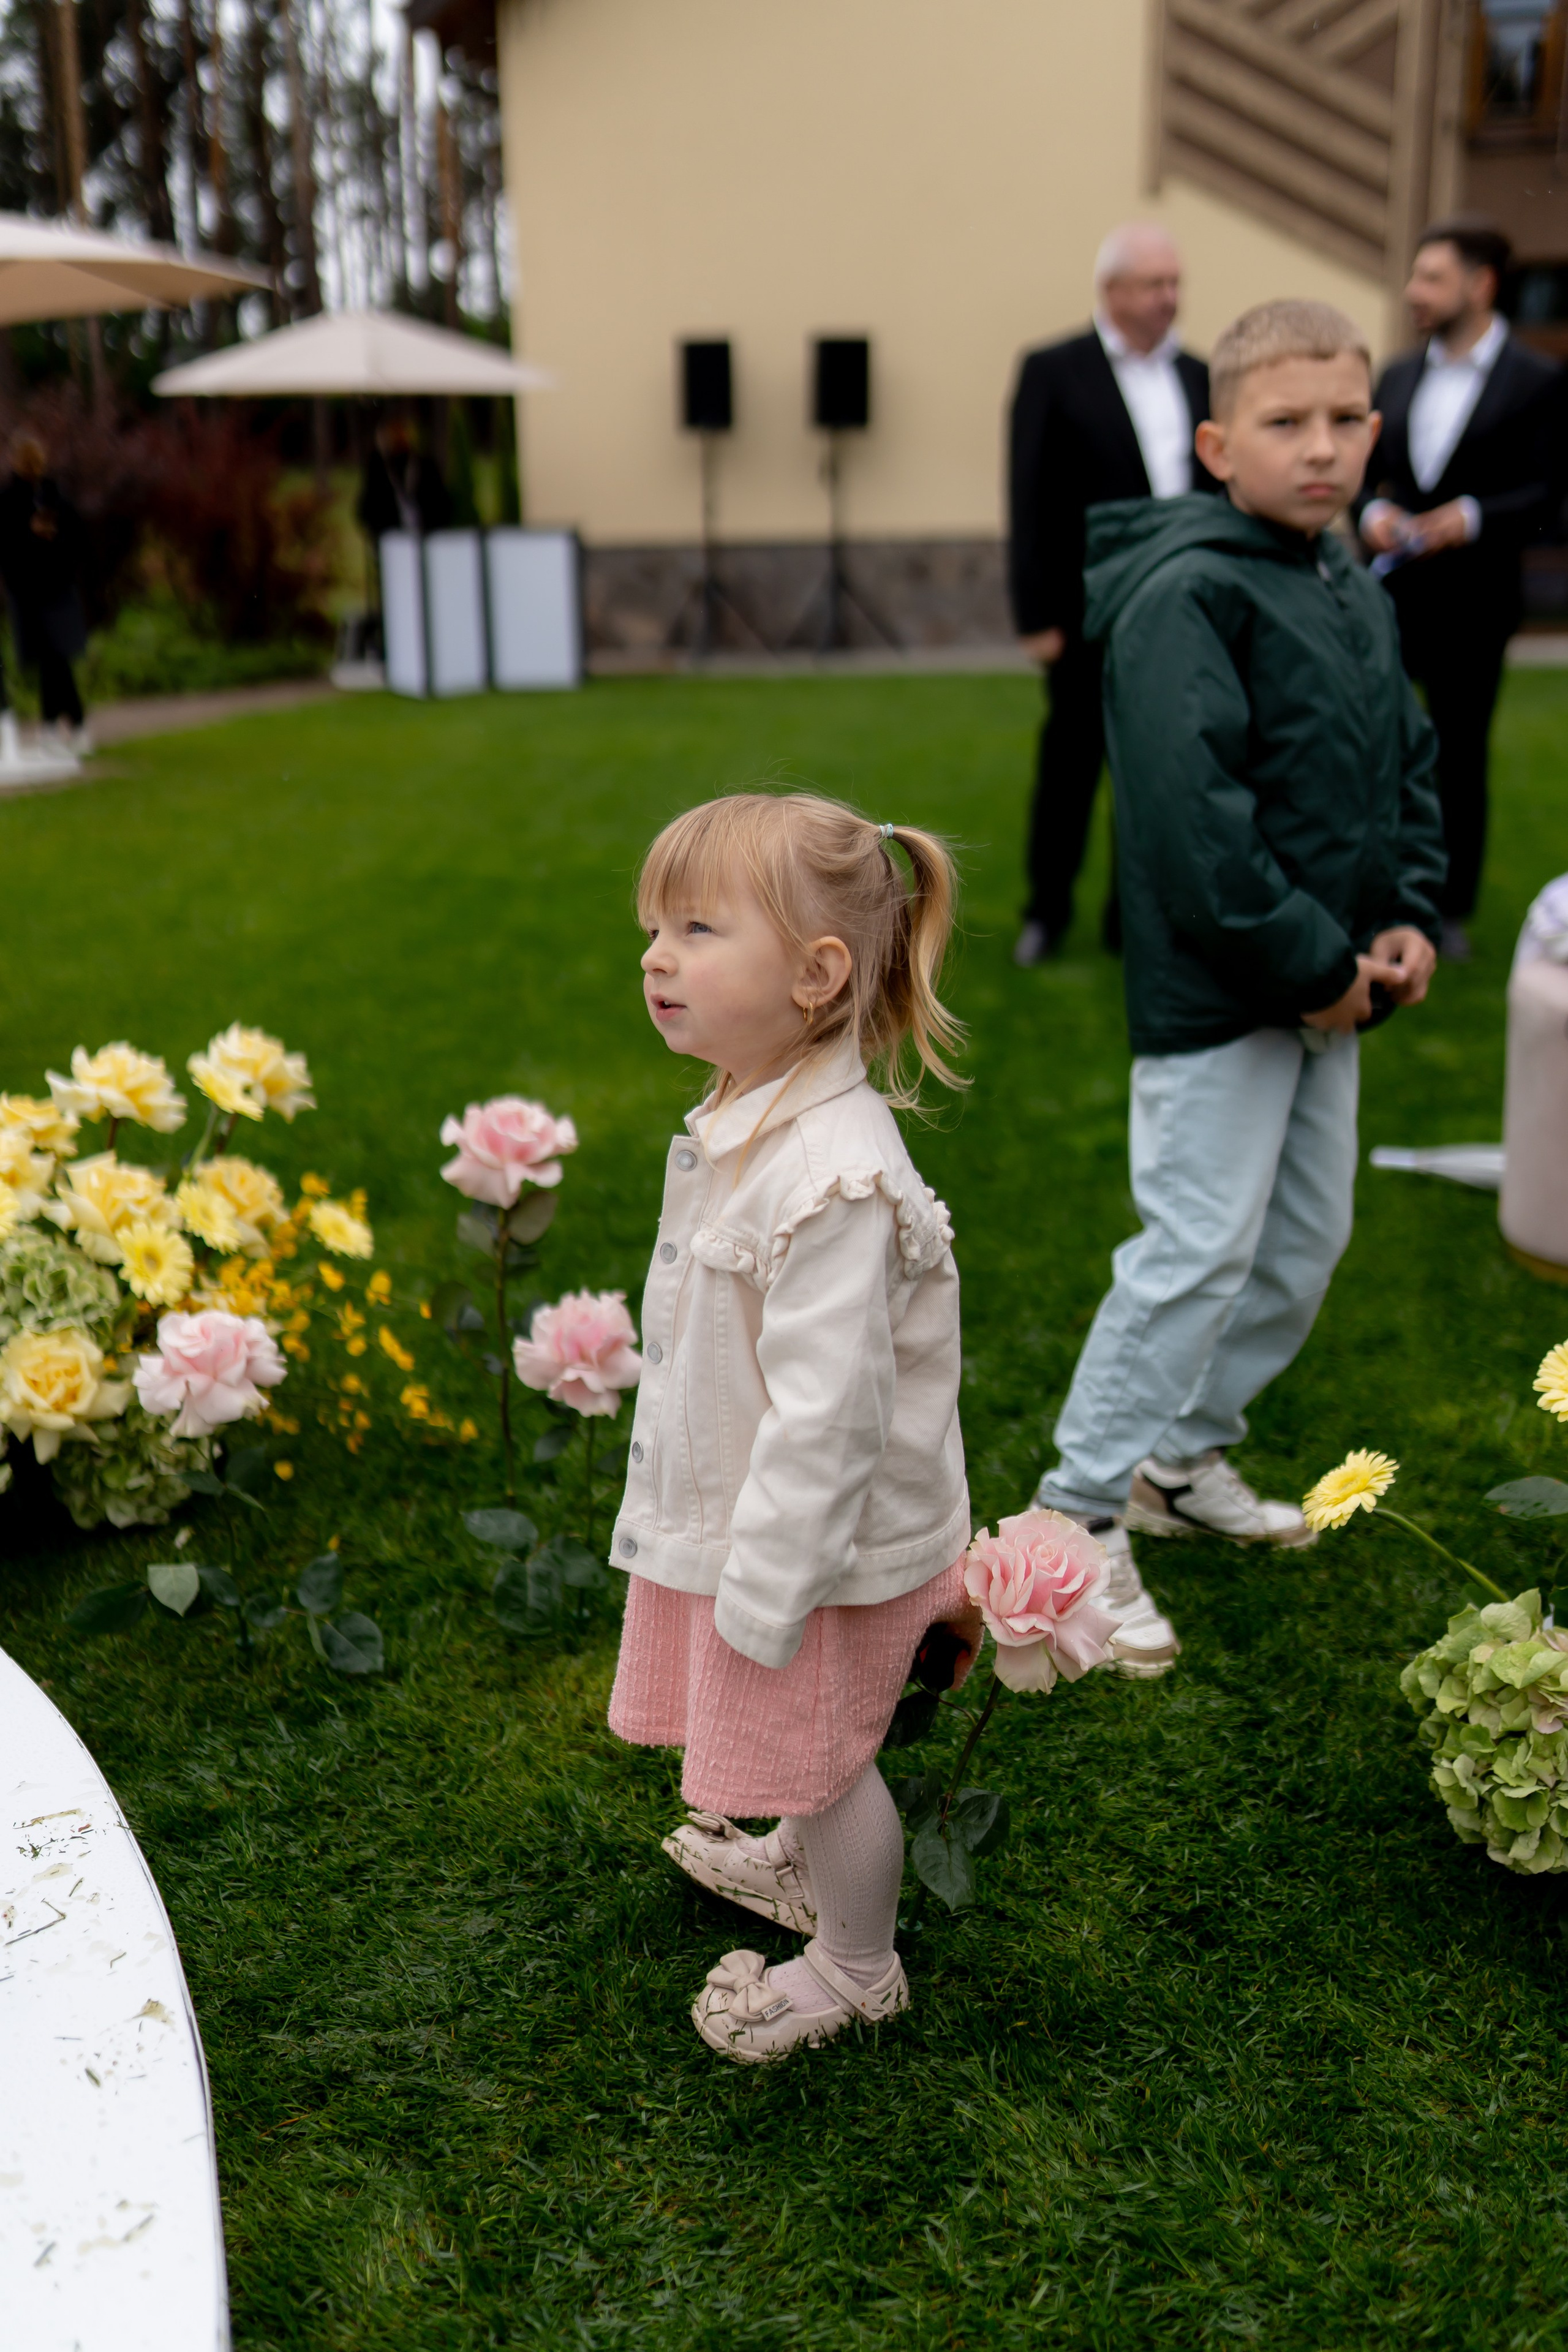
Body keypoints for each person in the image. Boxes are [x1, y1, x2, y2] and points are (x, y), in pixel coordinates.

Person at [1026, 300, 1447, 1673]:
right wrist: (1315, 966)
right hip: (1223, 998)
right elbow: (1192, 828)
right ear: (1217, 446)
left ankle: (1179, 1460)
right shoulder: (1183, 595)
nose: (1320, 447)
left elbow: (1403, 762)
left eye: (1345, 419)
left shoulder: (1341, 576)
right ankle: (1077, 1514)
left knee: (1305, 1242)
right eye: (1284, 422)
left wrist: (1402, 915)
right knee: (1196, 1250)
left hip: (1330, 985)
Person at [606, 792, 978, 2063]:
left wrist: (764, 1593)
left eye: (697, 929)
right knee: (796, 1745)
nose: (656, 957)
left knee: (822, 1756)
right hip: (773, 1529)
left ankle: (857, 1965)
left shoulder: (831, 1175)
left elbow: (830, 1421)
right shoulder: (752, 1110)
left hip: (819, 1551)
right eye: (655, 928)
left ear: (815, 976)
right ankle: (801, 1862)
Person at [1006, 222, 1221, 966]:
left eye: (1174, 283)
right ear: (1112, 291)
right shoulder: (1053, 370)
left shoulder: (1200, 376)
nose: (1169, 297)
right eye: (1154, 284)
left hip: (1180, 614)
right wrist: (1035, 615)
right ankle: (1046, 911)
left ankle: (1132, 918)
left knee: (1158, 771)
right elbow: (1028, 497)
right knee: (1070, 767)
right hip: (1084, 614)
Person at [1357, 216, 1561, 964]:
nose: (1413, 292)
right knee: (1372, 747)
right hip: (1391, 600)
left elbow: (1549, 496)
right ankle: (1370, 889)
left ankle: (1447, 908)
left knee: (1458, 754)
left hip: (1476, 604)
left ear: (1480, 286)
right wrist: (1372, 516)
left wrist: (1471, 518)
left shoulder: (1537, 380)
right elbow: (1361, 476)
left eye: (1431, 278)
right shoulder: (1396, 375)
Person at [0, 431, 89, 753]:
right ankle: (68, 723)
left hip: (55, 588)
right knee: (51, 659)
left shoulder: (55, 497)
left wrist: (54, 539)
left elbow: (77, 538)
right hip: (29, 590)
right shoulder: (10, 500)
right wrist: (30, 536)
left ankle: (60, 723)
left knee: (56, 657)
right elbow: (7, 547)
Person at [355, 413, 453, 540]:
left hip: (426, 535)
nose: (399, 438)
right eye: (395, 435)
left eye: (402, 433)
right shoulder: (378, 471)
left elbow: (442, 504)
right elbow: (367, 510)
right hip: (391, 537)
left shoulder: (426, 466)